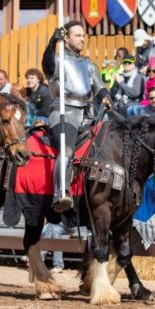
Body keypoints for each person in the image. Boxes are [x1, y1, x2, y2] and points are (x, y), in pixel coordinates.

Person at [42, 21, 111, 212]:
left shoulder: (88, 64)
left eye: (83, 36)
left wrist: (105, 97)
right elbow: (47, 66)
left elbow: (99, 86)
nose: (82, 39)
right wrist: (51, 44)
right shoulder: (58, 59)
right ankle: (61, 193)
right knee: (67, 151)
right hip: (64, 113)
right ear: (66, 38)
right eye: (77, 35)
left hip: (87, 114)